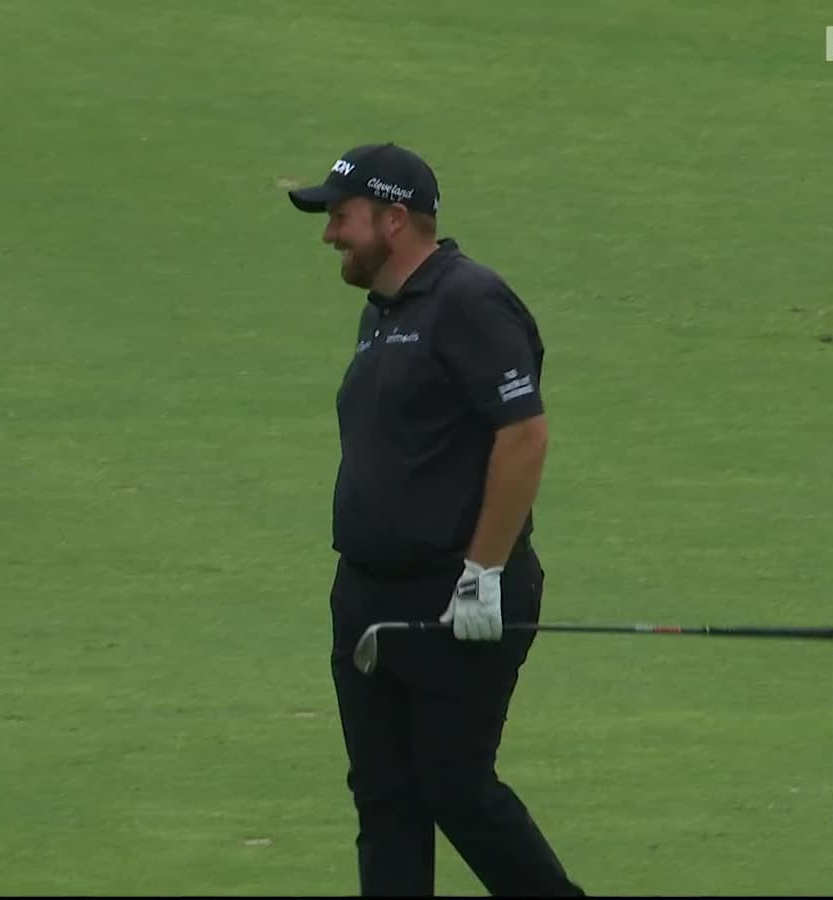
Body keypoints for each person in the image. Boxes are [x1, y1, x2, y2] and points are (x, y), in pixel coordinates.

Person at [288, 143, 584, 896]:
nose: (329, 235)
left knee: (455, 785)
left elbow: (524, 434)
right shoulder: (382, 314)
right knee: (386, 800)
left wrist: (483, 572)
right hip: (366, 599)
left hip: (458, 596)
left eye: (341, 218)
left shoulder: (470, 302)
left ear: (395, 219)